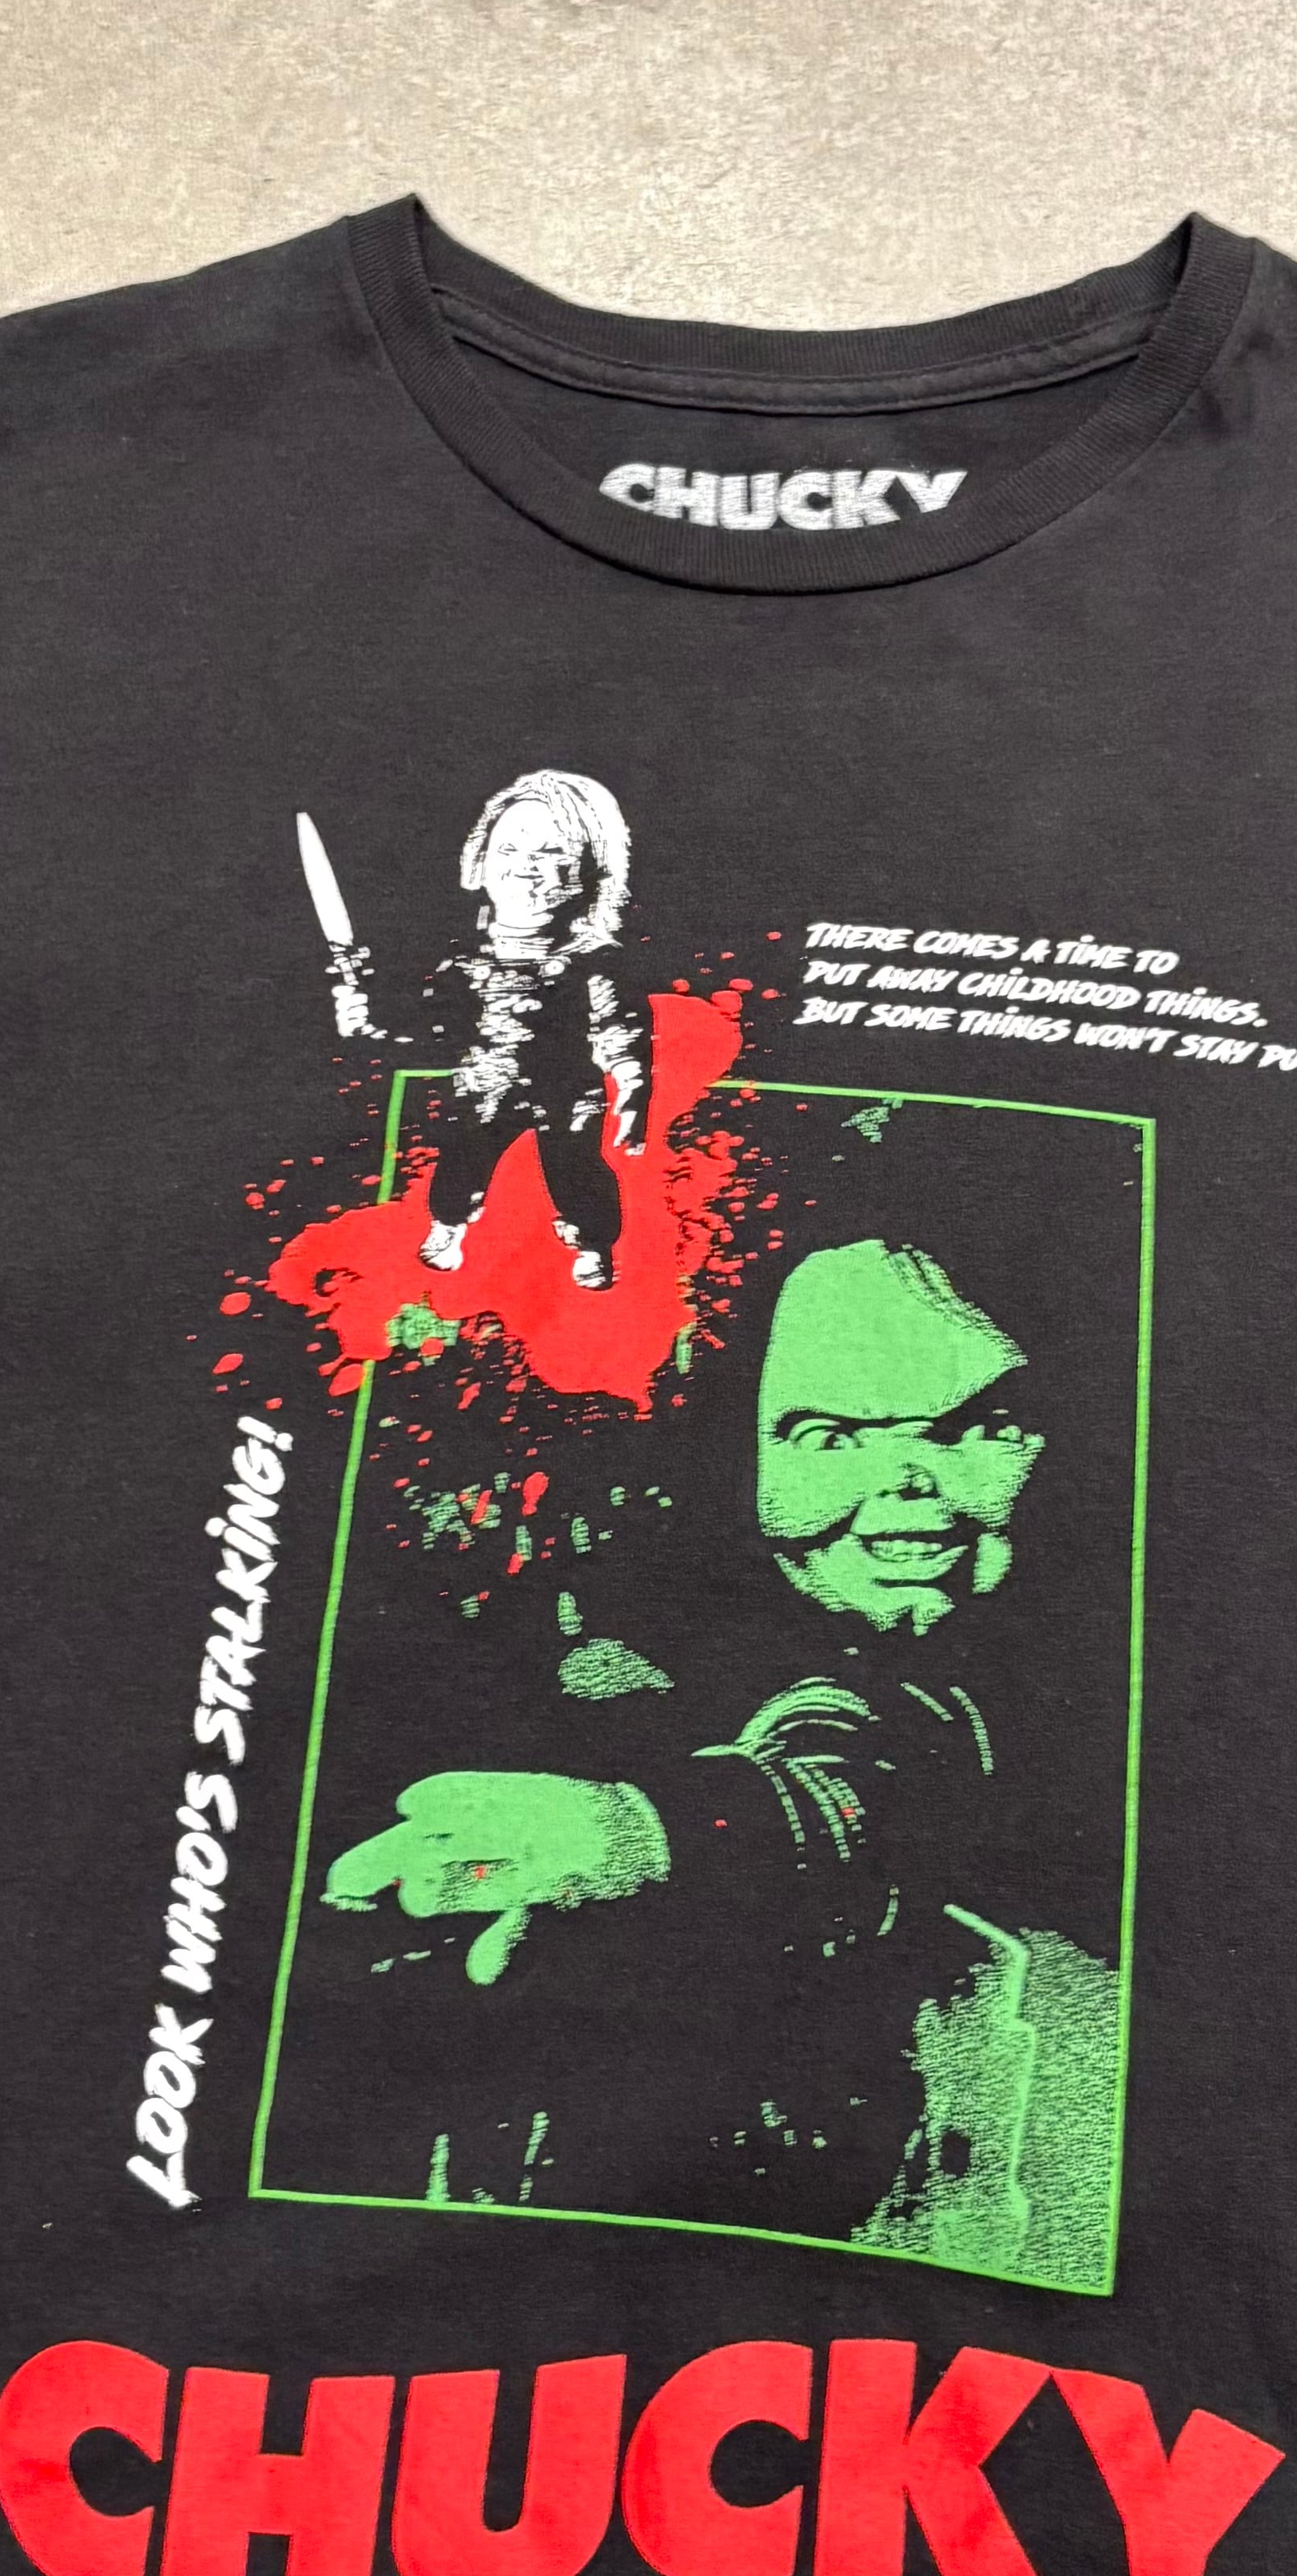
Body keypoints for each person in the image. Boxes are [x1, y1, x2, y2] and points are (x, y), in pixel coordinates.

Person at [319, 1240, 1121, 2280]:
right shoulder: (642, 1658)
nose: (908, 1482)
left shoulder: (1100, 1656)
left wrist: (652, 1832)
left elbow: (884, 1752)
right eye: (831, 1436)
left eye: (971, 1427)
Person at [404, 766, 645, 1293]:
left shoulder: (592, 959)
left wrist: (630, 1079)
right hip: (485, 1082)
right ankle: (448, 1223)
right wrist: (368, 1020)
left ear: (588, 872)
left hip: (568, 1090)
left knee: (576, 1170)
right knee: (464, 1157)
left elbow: (616, 1022)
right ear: (479, 861)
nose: (525, 868)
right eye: (508, 850)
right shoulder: (461, 958)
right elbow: (428, 1024)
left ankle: (593, 1242)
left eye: (551, 853)